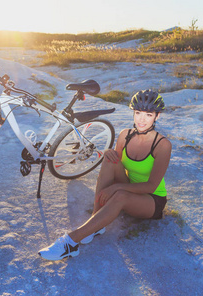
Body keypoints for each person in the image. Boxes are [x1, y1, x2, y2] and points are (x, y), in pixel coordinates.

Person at [38, 89, 172, 261]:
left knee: (121, 195)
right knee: (110, 159)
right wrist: (110, 155)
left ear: (157, 116)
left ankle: (70, 242)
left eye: (148, 114)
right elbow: (117, 167)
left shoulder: (162, 145)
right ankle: (96, 221)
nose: (141, 119)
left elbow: (151, 186)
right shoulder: (126, 135)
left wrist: (117, 187)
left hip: (151, 199)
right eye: (138, 113)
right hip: (129, 186)